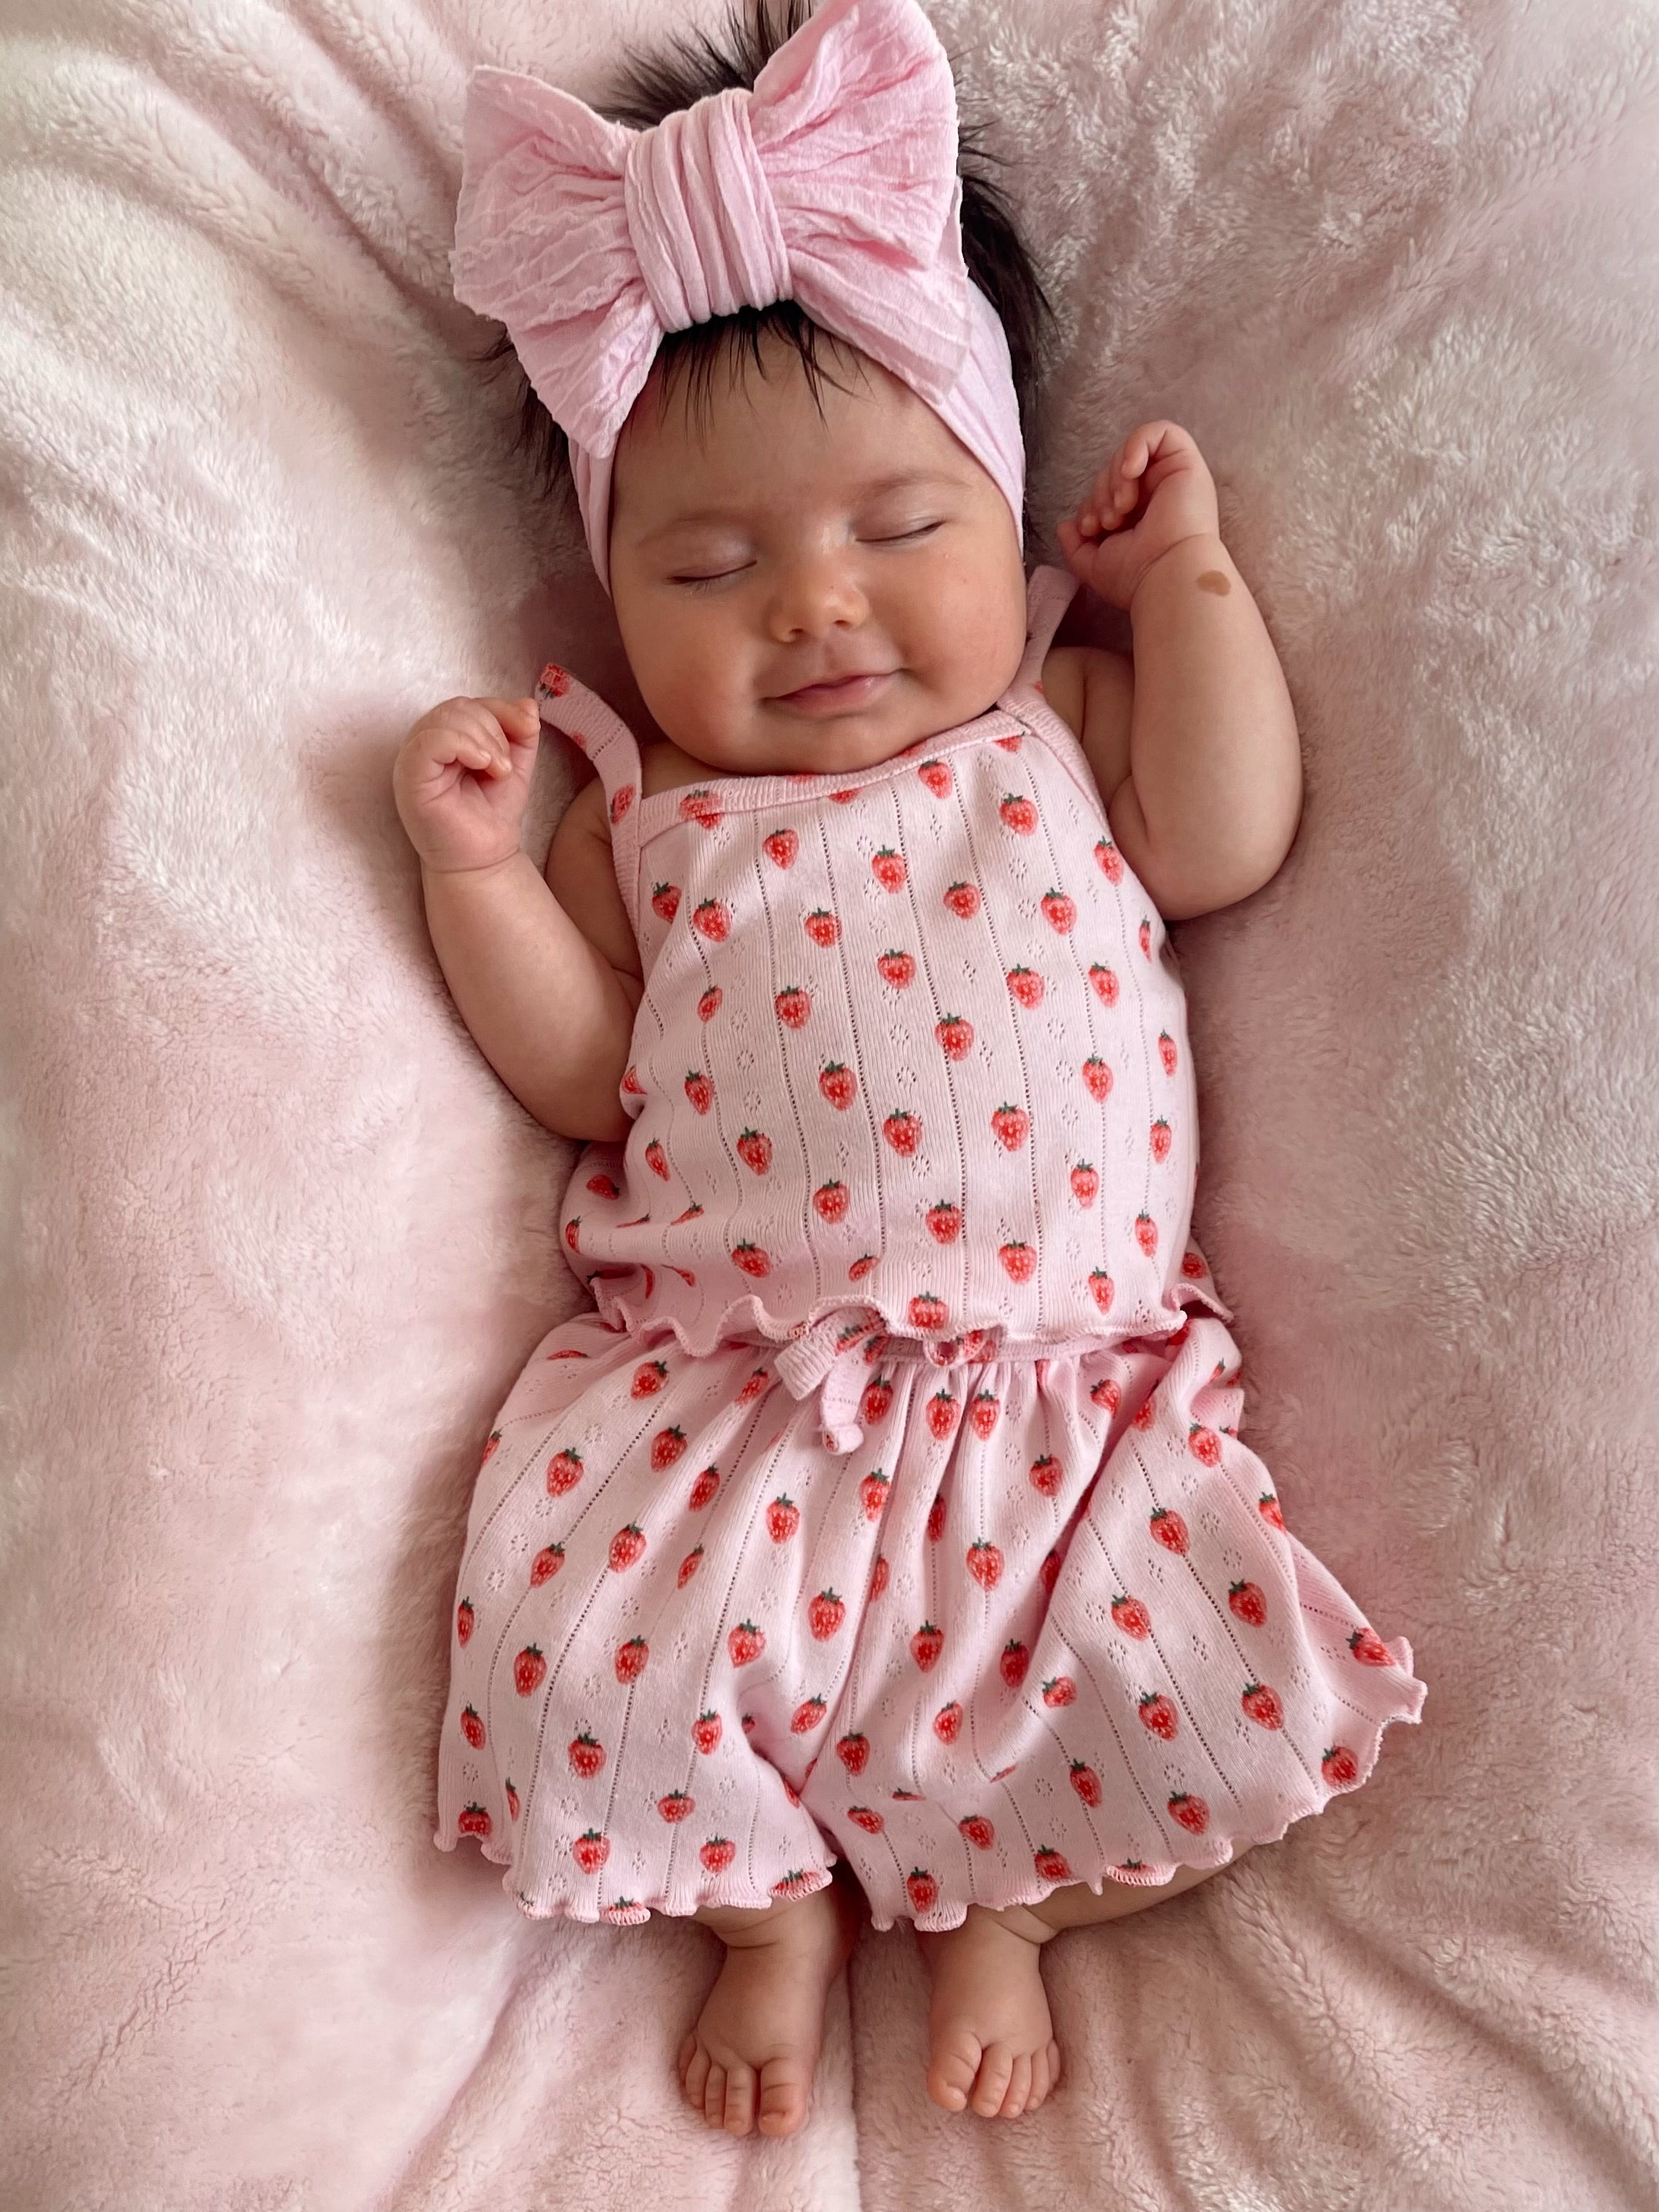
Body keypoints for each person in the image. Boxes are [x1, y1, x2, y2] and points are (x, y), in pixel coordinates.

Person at [396, 0, 1425, 2140]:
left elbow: (1223, 836)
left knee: (1142, 1663)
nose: (816, 609)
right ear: (613, 586)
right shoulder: (650, 817)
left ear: (1007, 508)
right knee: (596, 1653)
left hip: (1058, 1390)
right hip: (739, 1397)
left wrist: (1187, 585)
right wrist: (481, 874)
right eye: (710, 567)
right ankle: (767, 1909)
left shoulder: (1051, 726)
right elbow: (586, 1077)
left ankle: (1006, 1903)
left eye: (900, 526)